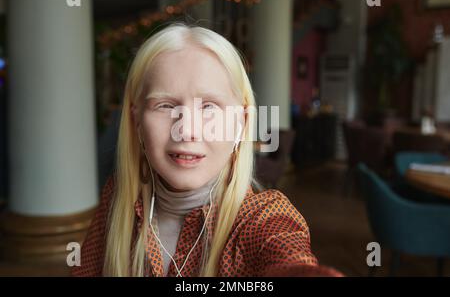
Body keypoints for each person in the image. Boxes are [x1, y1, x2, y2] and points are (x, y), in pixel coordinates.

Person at [71, 24, 342, 277]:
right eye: (165, 106)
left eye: (209, 106)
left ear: (241, 122)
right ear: (137, 122)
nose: (187, 130)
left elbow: (289, 260)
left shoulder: (262, 219)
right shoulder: (117, 198)